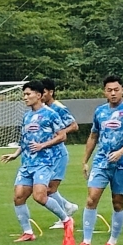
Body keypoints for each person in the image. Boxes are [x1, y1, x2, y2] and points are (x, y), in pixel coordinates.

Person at [77, 76, 123, 245]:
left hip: (121, 164)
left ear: (122, 90)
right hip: (101, 162)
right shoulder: (100, 112)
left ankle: (112, 242)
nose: (113, 93)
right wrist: (85, 160)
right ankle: (86, 241)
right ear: (104, 91)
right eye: (109, 90)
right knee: (91, 198)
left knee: (118, 202)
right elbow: (93, 136)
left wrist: (121, 151)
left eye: (116, 89)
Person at [2, 81, 72, 242]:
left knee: (40, 196)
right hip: (27, 164)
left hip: (44, 162)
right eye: (24, 94)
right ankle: (28, 232)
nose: (25, 97)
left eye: (28, 94)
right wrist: (16, 154)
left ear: (39, 95)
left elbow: (62, 135)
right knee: (18, 197)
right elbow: (25, 140)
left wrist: (43, 145)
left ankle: (67, 220)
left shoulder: (51, 114)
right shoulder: (27, 116)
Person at [40, 79, 80, 229]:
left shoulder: (58, 108)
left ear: (51, 92)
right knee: (45, 187)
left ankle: (64, 215)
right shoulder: (43, 109)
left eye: (43, 92)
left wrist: (59, 134)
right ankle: (67, 207)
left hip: (57, 153)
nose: (40, 95)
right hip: (47, 154)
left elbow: (74, 125)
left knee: (48, 189)